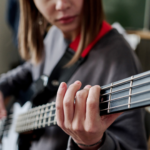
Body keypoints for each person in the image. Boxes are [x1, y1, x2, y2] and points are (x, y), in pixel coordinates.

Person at [0, 0, 148, 150]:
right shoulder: (54, 34)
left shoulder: (120, 56)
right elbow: (30, 68)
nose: (61, 5)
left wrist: (92, 144)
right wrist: (3, 86)